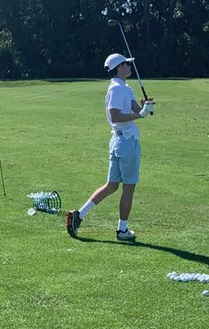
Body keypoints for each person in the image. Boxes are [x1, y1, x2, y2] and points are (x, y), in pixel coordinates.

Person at [65, 53, 155, 242]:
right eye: (126, 65)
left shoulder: (124, 87)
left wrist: (143, 107)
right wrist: (140, 116)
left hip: (120, 142)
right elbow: (115, 116)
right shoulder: (116, 89)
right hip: (126, 142)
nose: (129, 67)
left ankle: (79, 215)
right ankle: (122, 230)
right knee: (128, 187)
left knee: (112, 186)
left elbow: (136, 111)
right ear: (119, 67)